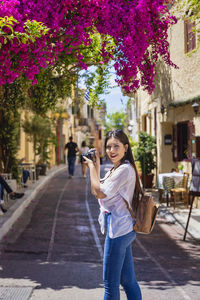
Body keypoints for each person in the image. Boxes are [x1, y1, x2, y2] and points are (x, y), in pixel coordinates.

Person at [83, 129, 142, 300]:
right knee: (128, 280)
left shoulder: (124, 169)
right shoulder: (116, 169)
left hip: (118, 230)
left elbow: (99, 192)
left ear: (125, 147)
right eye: (108, 147)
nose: (112, 151)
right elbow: (100, 186)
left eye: (116, 146)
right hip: (124, 228)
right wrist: (97, 166)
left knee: (110, 284)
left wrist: (91, 168)